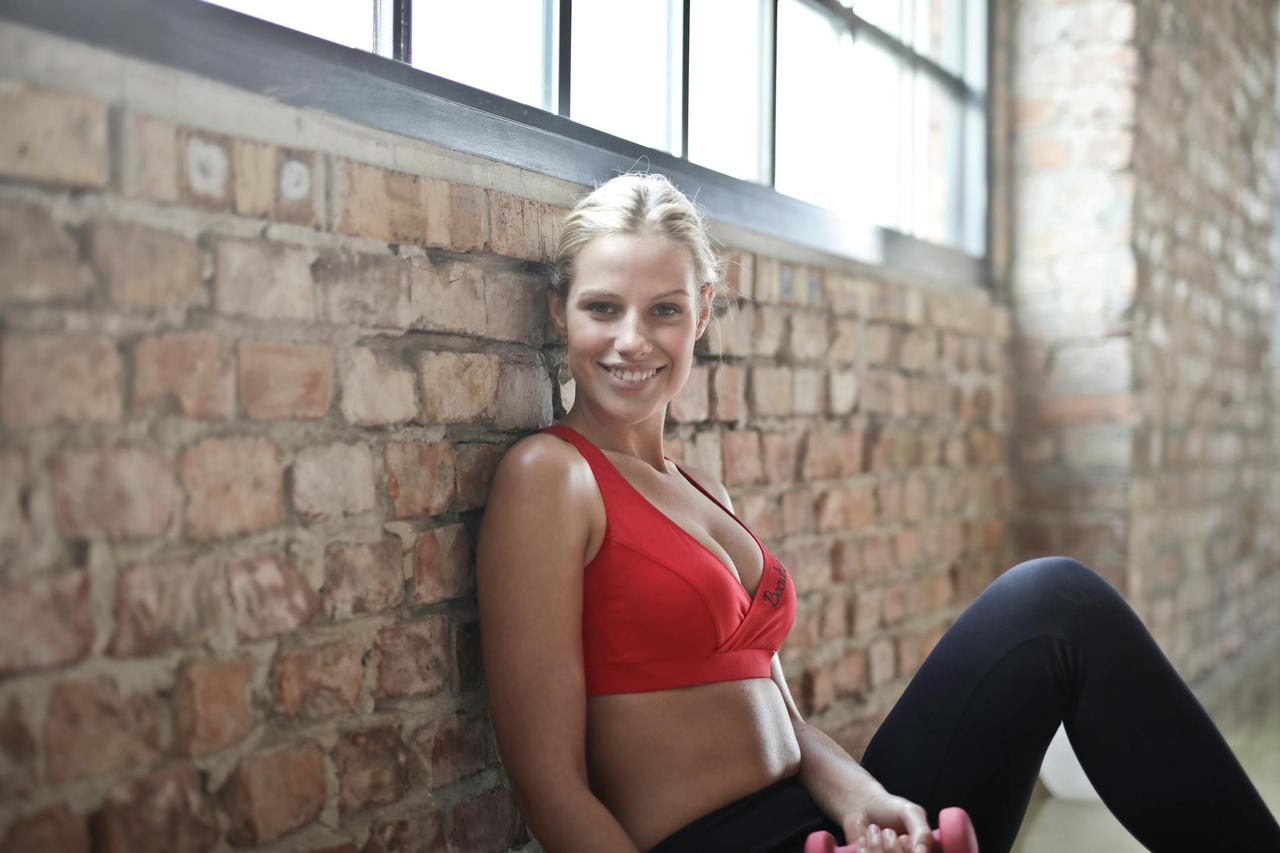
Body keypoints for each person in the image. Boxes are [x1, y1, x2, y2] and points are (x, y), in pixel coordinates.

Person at [474, 172, 1280, 853]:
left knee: (1058, 615)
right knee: (1050, 602)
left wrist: (866, 799)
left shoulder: (700, 490)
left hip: (820, 821)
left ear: (704, 311)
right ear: (559, 313)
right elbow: (550, 785)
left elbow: (784, 722)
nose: (632, 341)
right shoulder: (551, 477)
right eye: (603, 308)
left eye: (664, 310)